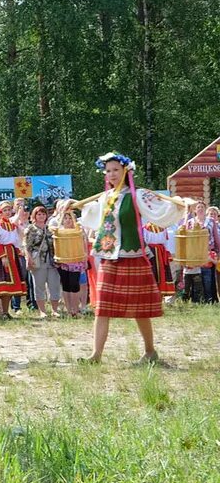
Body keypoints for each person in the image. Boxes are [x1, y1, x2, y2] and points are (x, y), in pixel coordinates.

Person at [74, 152, 188, 364]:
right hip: (109, 257)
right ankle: (95, 355)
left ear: (126, 171)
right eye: (108, 171)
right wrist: (75, 204)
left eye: (116, 170)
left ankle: (150, 351)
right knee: (102, 307)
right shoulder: (106, 197)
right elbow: (92, 215)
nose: (112, 174)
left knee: (139, 308)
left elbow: (161, 212)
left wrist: (179, 204)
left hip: (133, 255)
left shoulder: (138, 195)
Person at [0, 201, 27, 319]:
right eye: (5, 210)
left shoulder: (12, 224)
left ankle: (6, 311)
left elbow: (18, 232)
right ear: (0, 212)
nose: (8, 212)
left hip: (12, 254)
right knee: (4, 284)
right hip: (3, 255)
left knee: (11, 284)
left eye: (9, 210)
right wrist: (2, 255)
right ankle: (3, 312)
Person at [24, 206, 61, 318]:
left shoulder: (50, 229)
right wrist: (29, 258)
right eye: (39, 214)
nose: (41, 216)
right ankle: (42, 311)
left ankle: (55, 310)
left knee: (54, 285)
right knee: (39, 286)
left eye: (43, 214)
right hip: (38, 260)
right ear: (34, 216)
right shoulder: (30, 229)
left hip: (51, 260)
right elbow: (26, 245)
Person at [53, 210, 88, 317]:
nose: (68, 220)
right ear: (62, 220)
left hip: (76, 262)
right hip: (63, 262)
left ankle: (76, 310)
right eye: (65, 218)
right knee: (66, 286)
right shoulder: (58, 231)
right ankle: (69, 310)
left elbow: (84, 245)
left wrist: (85, 260)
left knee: (75, 285)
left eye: (70, 218)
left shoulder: (79, 231)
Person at [142, 222, 175, 299]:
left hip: (154, 252)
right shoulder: (162, 227)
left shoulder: (146, 228)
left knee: (158, 272)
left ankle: (155, 294)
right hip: (156, 252)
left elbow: (145, 241)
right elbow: (165, 242)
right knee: (157, 272)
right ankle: (157, 294)